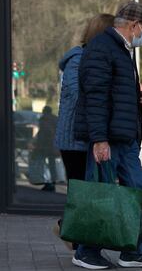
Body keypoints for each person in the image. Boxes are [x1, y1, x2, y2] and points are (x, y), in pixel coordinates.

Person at [73, 1, 142, 269]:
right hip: (108, 138)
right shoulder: (102, 48)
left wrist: (140, 98)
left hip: (124, 138)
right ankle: (85, 250)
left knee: (136, 191)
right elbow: (96, 97)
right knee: (100, 193)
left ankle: (136, 250)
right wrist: (99, 139)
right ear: (134, 25)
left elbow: (115, 94)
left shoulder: (121, 51)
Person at [53, 13, 115, 250]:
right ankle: (74, 237)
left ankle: (72, 233)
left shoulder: (95, 59)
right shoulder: (77, 60)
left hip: (87, 137)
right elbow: (77, 94)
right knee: (81, 192)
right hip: (73, 140)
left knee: (85, 192)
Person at [35, 105, 59, 191]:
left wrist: (37, 145)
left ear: (44, 111)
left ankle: (48, 183)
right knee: (52, 164)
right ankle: (53, 182)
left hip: (45, 146)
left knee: (44, 165)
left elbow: (42, 133)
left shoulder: (43, 119)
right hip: (54, 146)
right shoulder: (56, 119)